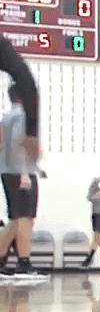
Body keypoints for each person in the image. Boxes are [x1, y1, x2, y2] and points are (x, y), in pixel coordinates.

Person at [0, 85, 44, 281]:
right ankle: (24, 264)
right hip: (19, 172)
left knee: (16, 219)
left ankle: (1, 261)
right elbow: (19, 145)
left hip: (9, 171)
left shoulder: (6, 118)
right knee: (26, 218)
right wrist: (25, 173)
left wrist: (34, 168)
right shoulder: (22, 117)